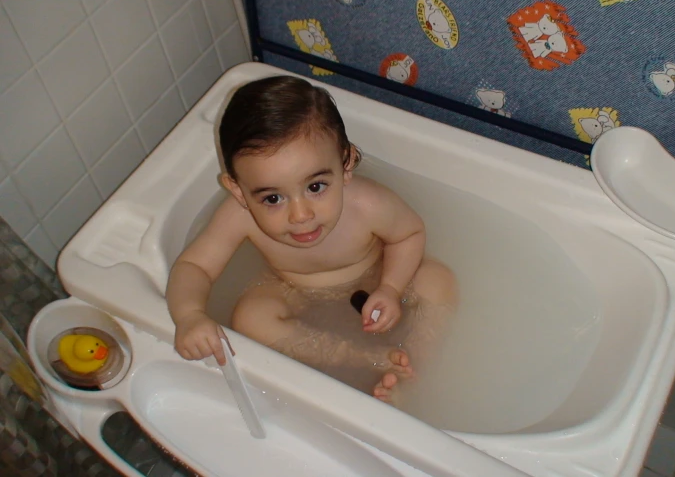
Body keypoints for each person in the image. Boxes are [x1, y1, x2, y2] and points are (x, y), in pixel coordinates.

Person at [165, 75, 457, 403]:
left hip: (375, 273)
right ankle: (366, 358)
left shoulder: (368, 205)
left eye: (315, 187)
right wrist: (190, 315)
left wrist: (390, 287)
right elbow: (194, 266)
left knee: (437, 279)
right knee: (251, 318)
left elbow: (409, 234)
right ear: (239, 191)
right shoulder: (239, 215)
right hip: (292, 287)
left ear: (346, 164)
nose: (300, 215)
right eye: (273, 198)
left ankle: (411, 367)